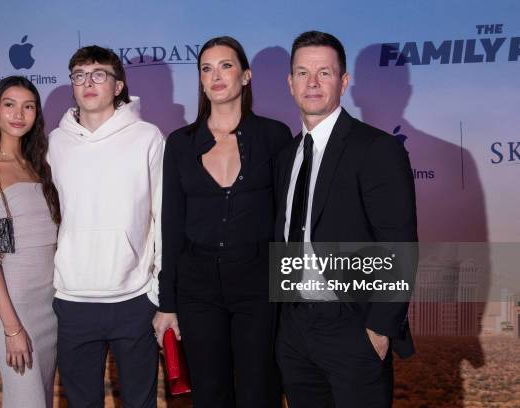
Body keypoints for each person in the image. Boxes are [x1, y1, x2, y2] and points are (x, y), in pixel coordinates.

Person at [274, 31, 418, 408]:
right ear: (290, 83)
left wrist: (379, 329)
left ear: (344, 81)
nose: (313, 82)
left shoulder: (376, 149)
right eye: (303, 73)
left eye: (324, 72)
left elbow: (398, 244)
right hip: (293, 328)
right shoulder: (286, 155)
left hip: (353, 327)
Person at [153, 36, 292, 408]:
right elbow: (171, 225)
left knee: (259, 392)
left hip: (258, 286)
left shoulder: (274, 136)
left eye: (226, 65)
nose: (216, 75)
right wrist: (168, 303)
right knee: (210, 394)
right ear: (200, 80)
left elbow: (287, 221)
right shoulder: (180, 143)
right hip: (197, 291)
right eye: (206, 68)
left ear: (245, 76)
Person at [47, 45, 164, 407]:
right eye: (79, 75)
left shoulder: (148, 137)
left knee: (139, 402)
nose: (88, 82)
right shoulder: (55, 142)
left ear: (118, 86)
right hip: (73, 299)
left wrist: (157, 291)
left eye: (99, 74)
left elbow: (163, 217)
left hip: (134, 299)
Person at [0, 76, 60, 407]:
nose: (19, 114)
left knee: (43, 399)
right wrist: (11, 328)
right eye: (10, 104)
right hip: (14, 302)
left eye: (28, 106)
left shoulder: (38, 168)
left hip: (49, 303)